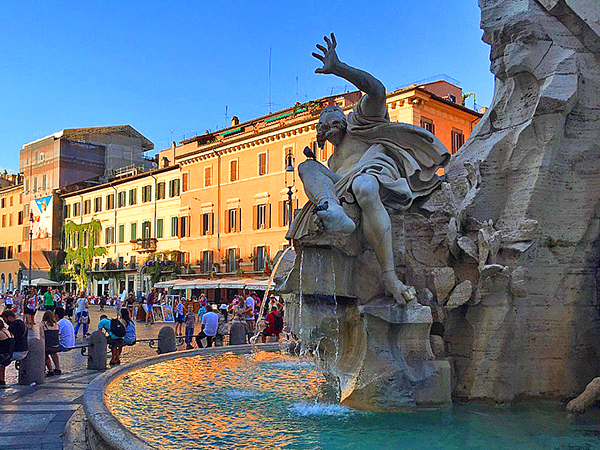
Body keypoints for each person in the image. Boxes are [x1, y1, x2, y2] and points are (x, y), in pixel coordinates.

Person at [288, 34, 448, 306]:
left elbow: (377, 90)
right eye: (323, 124)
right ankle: (332, 208)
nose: (328, 124)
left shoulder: (360, 123)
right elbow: (327, 173)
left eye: (333, 117)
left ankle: (390, 277)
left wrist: (339, 68)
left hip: (375, 176)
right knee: (306, 166)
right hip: (342, 186)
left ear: (343, 118)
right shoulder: (333, 161)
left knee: (364, 185)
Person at [0, 310, 28, 388]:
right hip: (24, 349)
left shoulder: (13, 325)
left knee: (1, 363)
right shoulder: (21, 323)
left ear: (9, 317)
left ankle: (1, 382)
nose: (5, 322)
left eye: (5, 320)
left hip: (17, 352)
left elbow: (10, 340)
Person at [39, 310, 61, 376]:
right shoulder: (56, 325)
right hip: (56, 345)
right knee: (54, 353)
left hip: (48, 346)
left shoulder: (43, 325)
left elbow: (42, 337)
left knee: (44, 354)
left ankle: (50, 370)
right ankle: (58, 368)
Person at [0, 318, 14, 388]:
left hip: (3, 355)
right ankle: (2, 381)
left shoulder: (0, 333)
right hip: (7, 354)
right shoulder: (6, 331)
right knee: (1, 366)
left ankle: (1, 381)